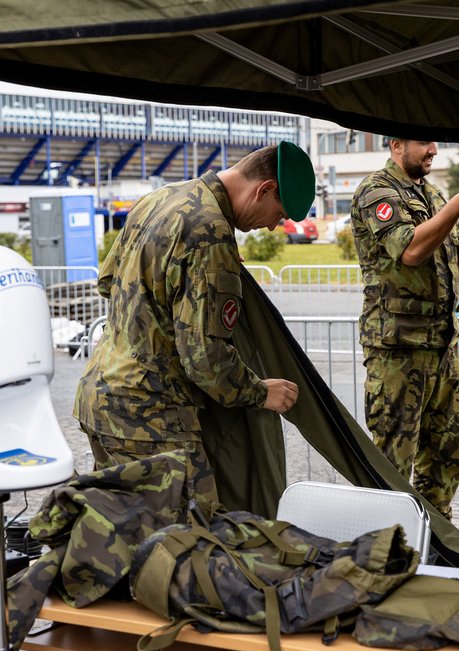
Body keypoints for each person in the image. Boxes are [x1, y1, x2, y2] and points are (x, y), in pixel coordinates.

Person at [73, 141, 315, 512]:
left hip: (102, 398)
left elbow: (108, 282)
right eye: (278, 214)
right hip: (151, 418)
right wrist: (260, 392)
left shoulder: (160, 197)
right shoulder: (211, 233)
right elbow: (206, 359)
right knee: (188, 547)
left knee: (121, 535)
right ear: (263, 189)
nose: (271, 226)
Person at [350, 137, 459, 519]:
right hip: (399, 352)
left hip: (442, 347)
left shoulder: (431, 193)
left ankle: (436, 548)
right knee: (392, 464)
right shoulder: (376, 190)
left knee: (444, 462)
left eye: (434, 144)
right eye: (424, 143)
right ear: (397, 145)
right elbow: (410, 250)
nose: (433, 151)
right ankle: (386, 551)